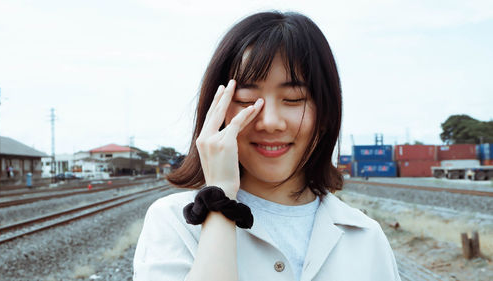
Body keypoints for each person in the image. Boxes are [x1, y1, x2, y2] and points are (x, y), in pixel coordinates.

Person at [134, 11, 401, 281]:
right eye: (248, 100)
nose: (270, 122)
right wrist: (220, 199)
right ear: (217, 111)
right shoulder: (173, 222)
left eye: (294, 99)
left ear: (326, 114)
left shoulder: (366, 237)